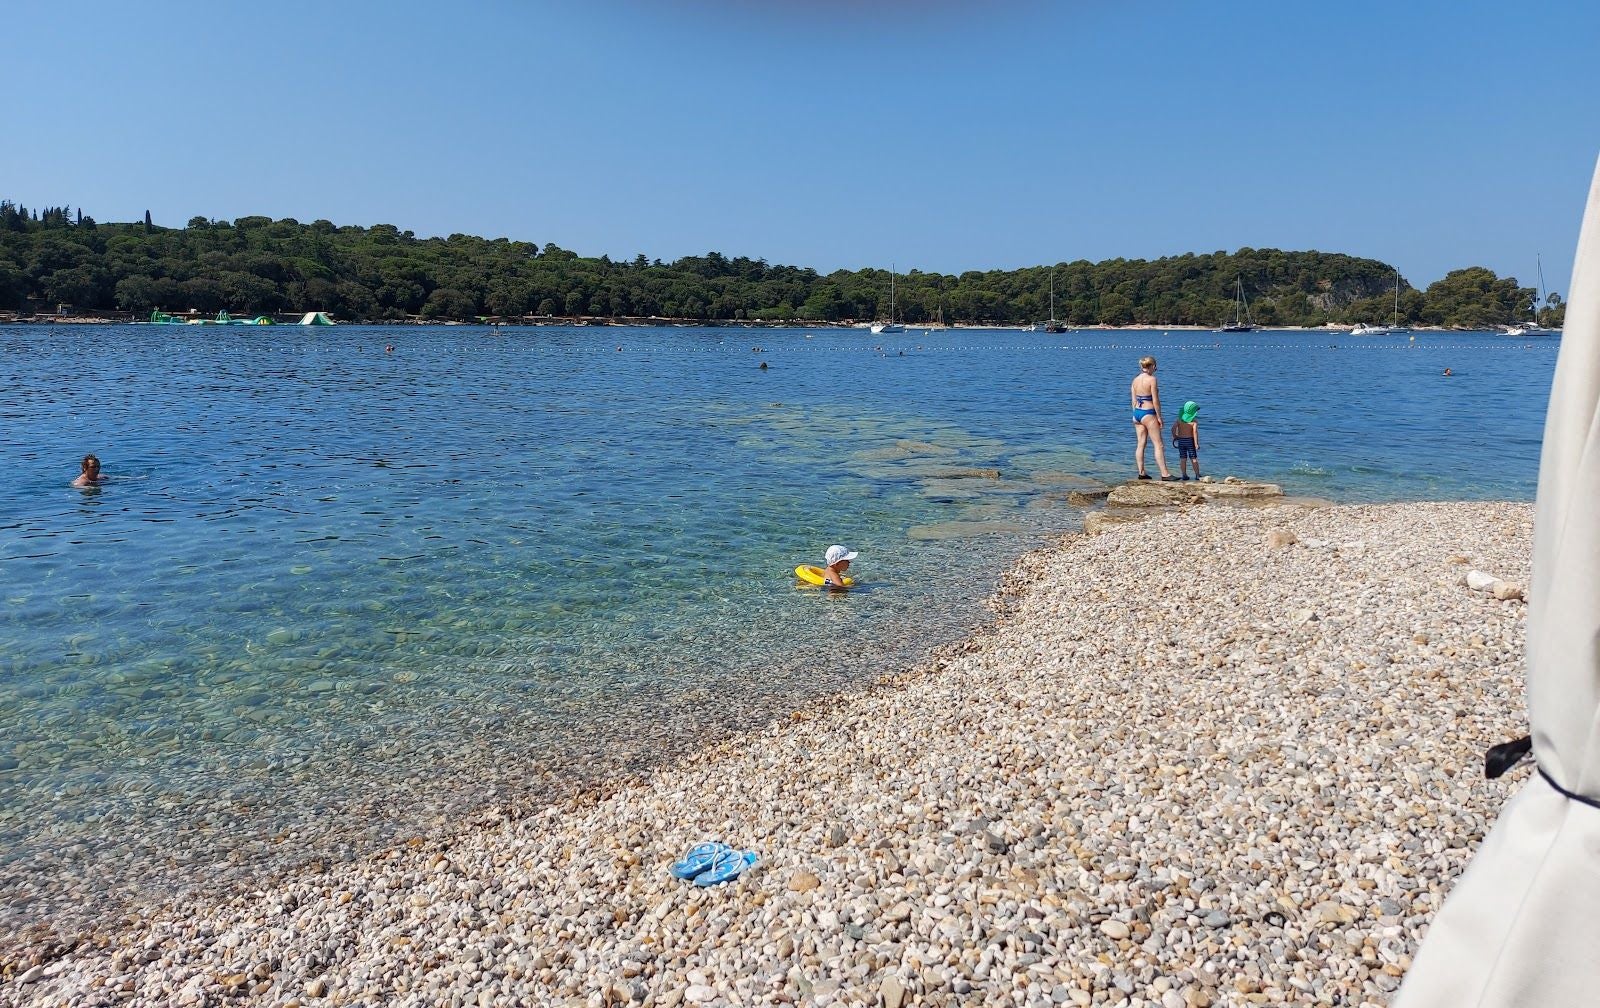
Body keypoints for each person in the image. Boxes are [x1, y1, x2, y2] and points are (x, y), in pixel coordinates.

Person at [1130, 356, 1175, 481]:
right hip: (1148, 413)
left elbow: (1133, 400)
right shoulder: (1152, 380)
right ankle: (1165, 474)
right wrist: (1159, 417)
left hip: (1137, 413)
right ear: (1151, 366)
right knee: (1158, 444)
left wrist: (1135, 414)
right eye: (1155, 366)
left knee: (1141, 444)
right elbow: (1155, 400)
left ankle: (1141, 472)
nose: (1155, 368)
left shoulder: (1135, 380)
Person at [1171, 401, 1202, 480]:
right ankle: (1197, 475)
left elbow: (1173, 428)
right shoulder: (1194, 422)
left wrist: (1175, 436)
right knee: (1193, 458)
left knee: (1183, 458)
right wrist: (1196, 444)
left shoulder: (1179, 420)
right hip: (1190, 441)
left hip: (1181, 441)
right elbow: (1194, 432)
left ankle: (1184, 475)